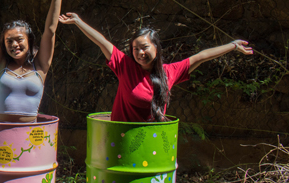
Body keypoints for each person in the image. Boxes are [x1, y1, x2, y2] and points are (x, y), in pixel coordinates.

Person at [58, 13, 254, 122]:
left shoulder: (170, 72)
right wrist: (78, 22)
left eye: (144, 47)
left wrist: (232, 46)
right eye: (135, 49)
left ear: (156, 48)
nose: (139, 53)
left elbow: (201, 57)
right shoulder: (125, 66)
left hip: (152, 141)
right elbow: (102, 42)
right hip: (120, 138)